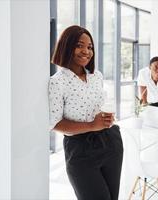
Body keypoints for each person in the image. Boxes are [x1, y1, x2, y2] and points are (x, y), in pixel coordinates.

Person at [48, 25, 123, 200]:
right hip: (80, 149)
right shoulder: (57, 82)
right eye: (79, 45)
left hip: (110, 142)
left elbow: (99, 106)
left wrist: (105, 119)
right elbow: (54, 123)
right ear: (66, 46)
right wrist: (91, 125)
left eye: (89, 47)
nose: (86, 51)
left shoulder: (97, 76)